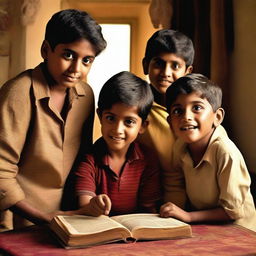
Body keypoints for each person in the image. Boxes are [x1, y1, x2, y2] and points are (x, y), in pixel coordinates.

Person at [0, 9, 107, 230]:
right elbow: (1, 171)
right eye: (68, 55)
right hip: (19, 222)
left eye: (87, 60)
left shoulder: (86, 95)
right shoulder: (17, 93)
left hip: (71, 219)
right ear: (46, 50)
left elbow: (84, 159)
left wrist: (87, 205)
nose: (76, 69)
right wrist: (45, 219)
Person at [160, 73, 256, 231]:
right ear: (170, 122)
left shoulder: (226, 153)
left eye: (196, 108)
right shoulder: (180, 147)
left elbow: (232, 212)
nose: (186, 117)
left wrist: (188, 216)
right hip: (203, 227)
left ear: (217, 117)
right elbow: (176, 187)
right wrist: (171, 215)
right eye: (178, 111)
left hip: (239, 232)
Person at [73, 71, 161, 216]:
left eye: (129, 122)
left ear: (143, 126)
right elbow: (85, 205)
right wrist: (94, 205)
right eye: (111, 118)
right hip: (98, 230)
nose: (118, 129)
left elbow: (149, 211)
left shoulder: (148, 160)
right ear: (100, 116)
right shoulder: (89, 159)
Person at [137, 29, 194, 202]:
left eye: (175, 66)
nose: (166, 73)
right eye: (158, 63)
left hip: (199, 203)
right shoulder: (137, 110)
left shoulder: (198, 110)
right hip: (151, 202)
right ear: (146, 65)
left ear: (188, 71)